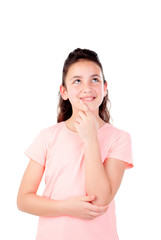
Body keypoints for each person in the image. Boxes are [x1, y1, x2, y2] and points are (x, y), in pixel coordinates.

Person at [17, 48, 134, 240]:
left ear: (104, 88)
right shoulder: (47, 137)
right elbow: (23, 200)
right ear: (64, 92)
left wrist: (90, 140)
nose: (87, 87)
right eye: (77, 81)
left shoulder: (119, 138)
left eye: (94, 79)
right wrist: (66, 207)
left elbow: (100, 200)